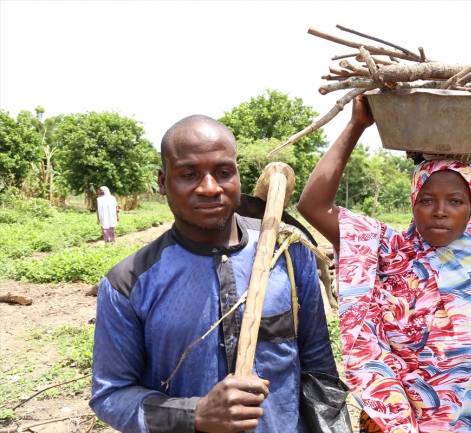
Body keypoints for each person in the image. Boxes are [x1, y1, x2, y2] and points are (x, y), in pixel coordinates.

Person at [297, 97, 471, 433]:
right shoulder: (389, 253)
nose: (440, 211)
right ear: (413, 204)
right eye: (427, 200)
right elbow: (313, 205)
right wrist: (356, 125)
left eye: (455, 201)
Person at [90, 115, 338, 433]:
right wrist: (196, 414)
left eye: (223, 172)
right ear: (163, 182)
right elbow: (111, 394)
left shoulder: (288, 253)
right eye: (189, 174)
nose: (209, 188)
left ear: (236, 175)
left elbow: (320, 371)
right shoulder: (128, 282)